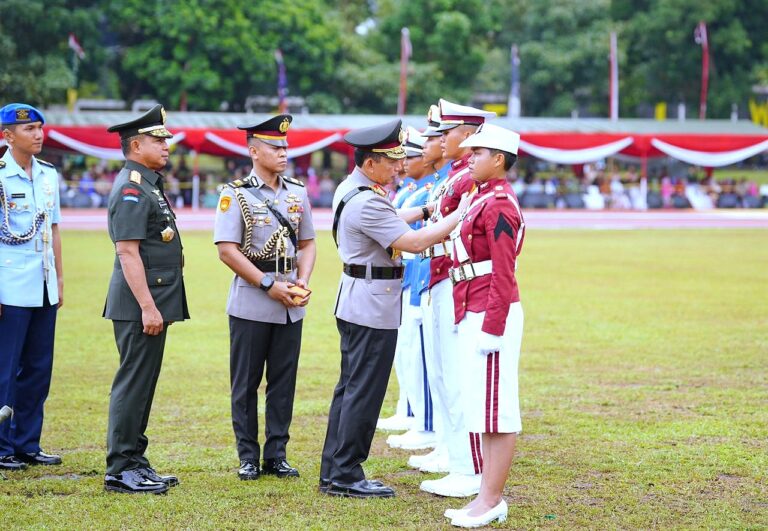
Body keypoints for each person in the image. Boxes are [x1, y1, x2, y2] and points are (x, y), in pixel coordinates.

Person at [319, 119, 470, 499]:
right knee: (363, 392)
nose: (399, 167)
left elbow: (389, 220)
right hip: (371, 303)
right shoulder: (369, 199)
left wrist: (425, 208)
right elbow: (414, 244)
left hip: (360, 298)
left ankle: (334, 469)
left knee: (350, 389)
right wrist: (459, 215)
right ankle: (346, 475)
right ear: (371, 164)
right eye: (391, 161)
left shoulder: (353, 189)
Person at [213, 114, 316, 481]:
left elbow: (307, 243)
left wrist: (301, 281)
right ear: (254, 151)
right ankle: (247, 456)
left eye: (286, 145)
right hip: (252, 300)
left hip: (291, 302)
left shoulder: (297, 191)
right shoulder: (236, 193)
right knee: (246, 383)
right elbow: (227, 250)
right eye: (276, 146)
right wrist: (267, 285)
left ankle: (277, 454)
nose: (284, 152)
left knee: (283, 382)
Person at [103, 104, 189, 495]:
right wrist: (148, 307)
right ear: (136, 145)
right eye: (158, 139)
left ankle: (135, 460)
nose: (166, 145)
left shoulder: (147, 182)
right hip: (141, 304)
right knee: (133, 384)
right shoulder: (133, 188)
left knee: (144, 383)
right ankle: (120, 468)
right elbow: (127, 252)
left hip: (151, 301)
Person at [444, 123, 525, 528]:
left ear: (498, 160)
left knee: (497, 411)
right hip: (473, 306)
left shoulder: (499, 204)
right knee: (484, 409)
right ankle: (484, 496)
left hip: (491, 311)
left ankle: (492, 499)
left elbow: (503, 272)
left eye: (478, 153)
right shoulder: (482, 198)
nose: (469, 157)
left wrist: (493, 327)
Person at [420, 99, 496, 498]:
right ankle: (455, 458)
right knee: (445, 375)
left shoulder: (469, 178)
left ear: (467, 135)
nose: (440, 140)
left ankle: (468, 468)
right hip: (440, 276)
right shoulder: (456, 176)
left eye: (445, 132)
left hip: (456, 280)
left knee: (458, 378)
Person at [0, 103, 63, 471]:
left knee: (39, 369)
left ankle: (27, 442)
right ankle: (2, 445)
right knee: (5, 370)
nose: (38, 134)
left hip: (43, 284)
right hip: (9, 285)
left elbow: (53, 230)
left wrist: (59, 280)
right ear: (8, 135)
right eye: (29, 129)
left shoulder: (47, 175)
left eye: (40, 128)